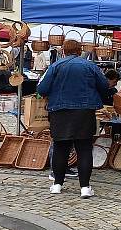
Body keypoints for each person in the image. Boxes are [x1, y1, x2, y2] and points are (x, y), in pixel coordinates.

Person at [38, 40, 109, 198]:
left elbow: (42, 88)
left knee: (61, 149)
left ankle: (57, 184)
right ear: (80, 51)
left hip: (60, 112)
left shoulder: (55, 66)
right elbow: (104, 86)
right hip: (84, 112)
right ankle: (85, 187)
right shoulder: (90, 66)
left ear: (63, 50)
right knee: (84, 149)